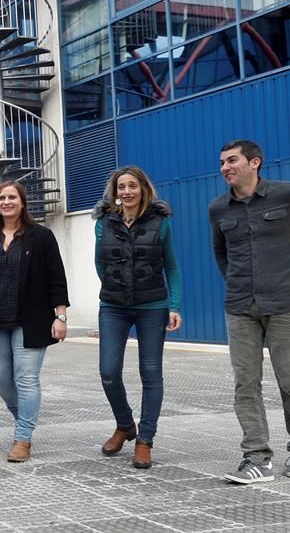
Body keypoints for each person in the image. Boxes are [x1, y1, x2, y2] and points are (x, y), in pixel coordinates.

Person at [209, 139, 290, 484]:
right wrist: (235, 281)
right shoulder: (218, 208)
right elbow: (220, 251)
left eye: (232, 161)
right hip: (240, 307)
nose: (225, 167)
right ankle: (257, 458)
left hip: (285, 304)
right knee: (245, 383)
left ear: (254, 162)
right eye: (222, 162)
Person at [0, 181, 69, 462]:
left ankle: (22, 438)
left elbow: (57, 278)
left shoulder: (41, 236)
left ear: (22, 203)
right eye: (1, 198)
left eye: (12, 197)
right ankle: (24, 417)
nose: (6, 202)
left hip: (31, 320)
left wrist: (60, 316)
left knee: (26, 378)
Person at [92, 166, 182, 469]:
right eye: (121, 187)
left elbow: (171, 265)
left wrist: (175, 305)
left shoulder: (160, 221)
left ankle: (145, 440)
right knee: (108, 371)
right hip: (113, 306)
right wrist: (116, 286)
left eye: (132, 185)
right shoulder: (104, 222)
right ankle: (125, 425)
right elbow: (100, 263)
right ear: (115, 192)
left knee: (151, 373)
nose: (127, 191)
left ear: (143, 188)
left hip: (152, 306)